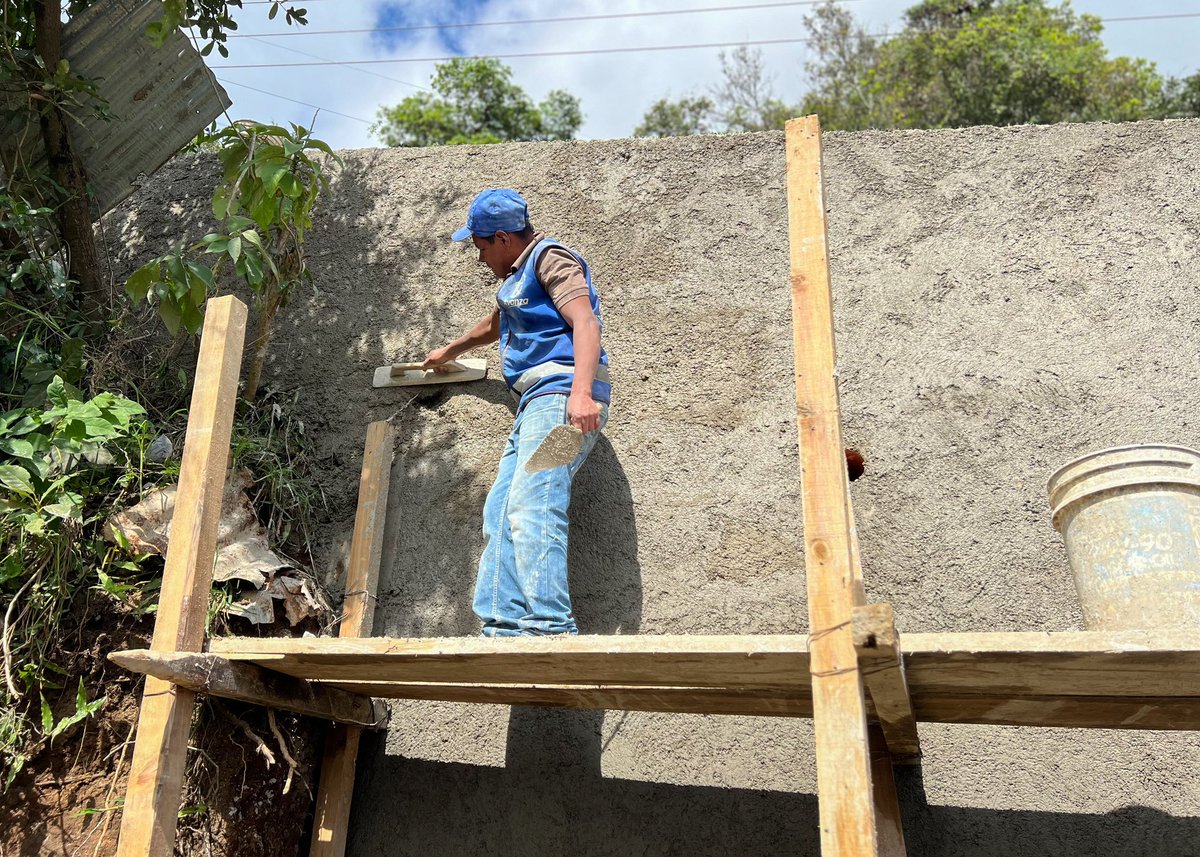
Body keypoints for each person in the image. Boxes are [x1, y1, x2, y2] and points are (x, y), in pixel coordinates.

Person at [424, 188, 611, 636]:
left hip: (560, 400)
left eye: (480, 247)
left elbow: (585, 322)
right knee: (500, 510)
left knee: (534, 506)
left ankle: (549, 626)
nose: (480, 257)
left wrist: (581, 394)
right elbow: (497, 322)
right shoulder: (517, 278)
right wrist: (451, 349)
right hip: (534, 406)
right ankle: (505, 624)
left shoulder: (552, 259)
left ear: (504, 238)